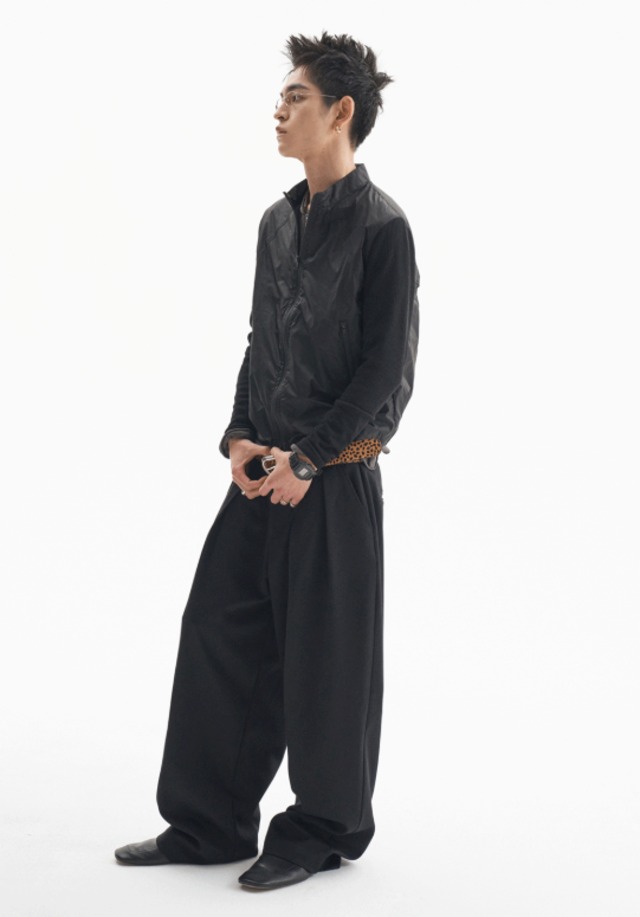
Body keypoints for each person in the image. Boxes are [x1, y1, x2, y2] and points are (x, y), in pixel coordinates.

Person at [114, 30, 420, 891]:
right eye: (280, 97)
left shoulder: (385, 229)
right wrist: (241, 433)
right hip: (262, 476)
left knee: (327, 659)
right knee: (218, 632)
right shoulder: (277, 222)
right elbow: (261, 339)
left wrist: (311, 460)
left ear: (342, 111)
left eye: (295, 97)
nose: (279, 111)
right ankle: (208, 820)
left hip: (333, 478)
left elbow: (385, 373)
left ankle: (320, 827)